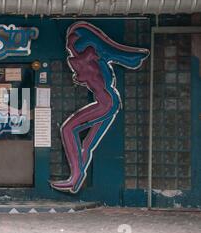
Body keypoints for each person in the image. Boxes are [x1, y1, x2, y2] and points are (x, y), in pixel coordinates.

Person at [51, 22, 149, 194]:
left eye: (71, 42)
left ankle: (75, 177)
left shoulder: (83, 60)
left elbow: (84, 75)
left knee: (68, 129)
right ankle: (76, 180)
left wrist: (79, 74)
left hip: (105, 103)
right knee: (87, 144)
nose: (68, 46)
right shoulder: (94, 58)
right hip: (110, 102)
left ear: (81, 43)